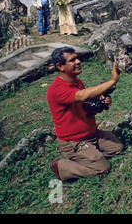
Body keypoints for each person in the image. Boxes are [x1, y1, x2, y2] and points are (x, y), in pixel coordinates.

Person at [47, 46, 124, 182]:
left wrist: (99, 101)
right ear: (60, 66)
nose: (78, 61)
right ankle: (61, 167)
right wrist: (112, 81)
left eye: (77, 58)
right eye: (72, 60)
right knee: (102, 168)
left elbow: (85, 104)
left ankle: (91, 155)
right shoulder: (56, 89)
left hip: (91, 134)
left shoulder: (77, 82)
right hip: (75, 142)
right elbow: (82, 96)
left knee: (117, 147)